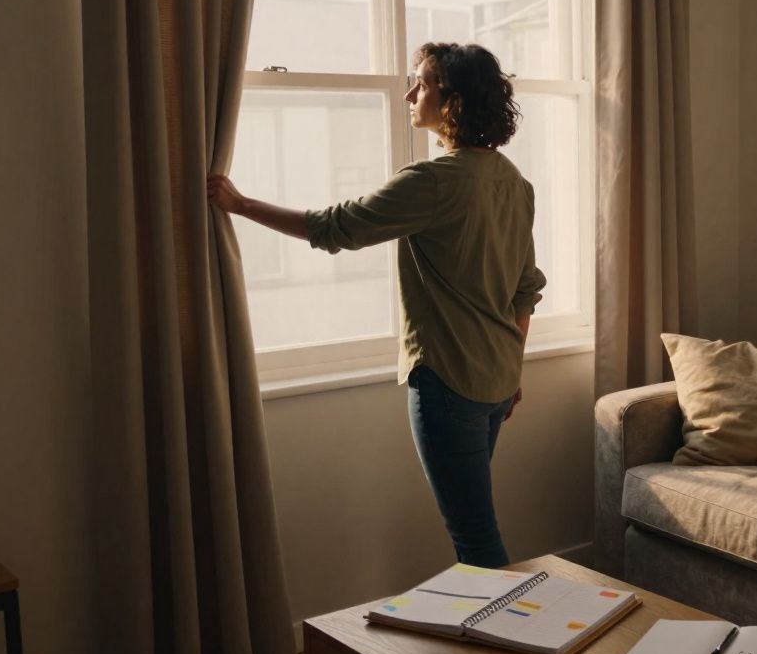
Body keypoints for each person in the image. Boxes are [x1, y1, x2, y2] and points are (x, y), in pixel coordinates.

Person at [207, 42, 546, 569]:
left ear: (452, 100)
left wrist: (241, 204)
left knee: (475, 538)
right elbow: (526, 289)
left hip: (449, 381)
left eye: (422, 83)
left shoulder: (433, 182)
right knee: (475, 527)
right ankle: (487, 642)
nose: (410, 93)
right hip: (498, 380)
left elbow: (333, 228)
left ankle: (515, 643)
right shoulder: (514, 183)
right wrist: (512, 363)